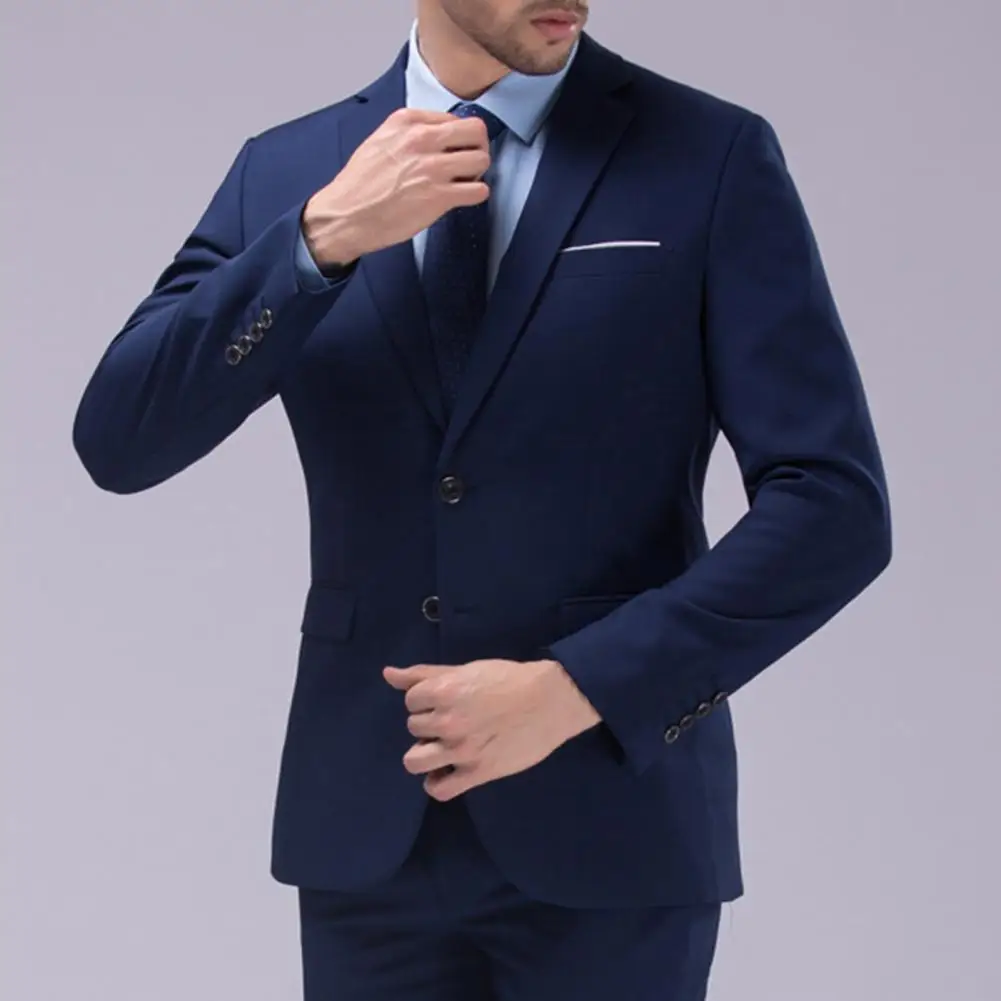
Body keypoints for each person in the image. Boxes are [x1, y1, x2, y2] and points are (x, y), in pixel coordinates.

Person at [72, 1, 892, 997]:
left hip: (610, 819)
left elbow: (832, 506)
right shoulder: (290, 172)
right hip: (365, 833)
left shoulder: (708, 156)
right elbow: (120, 439)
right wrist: (321, 240)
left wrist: (581, 686)